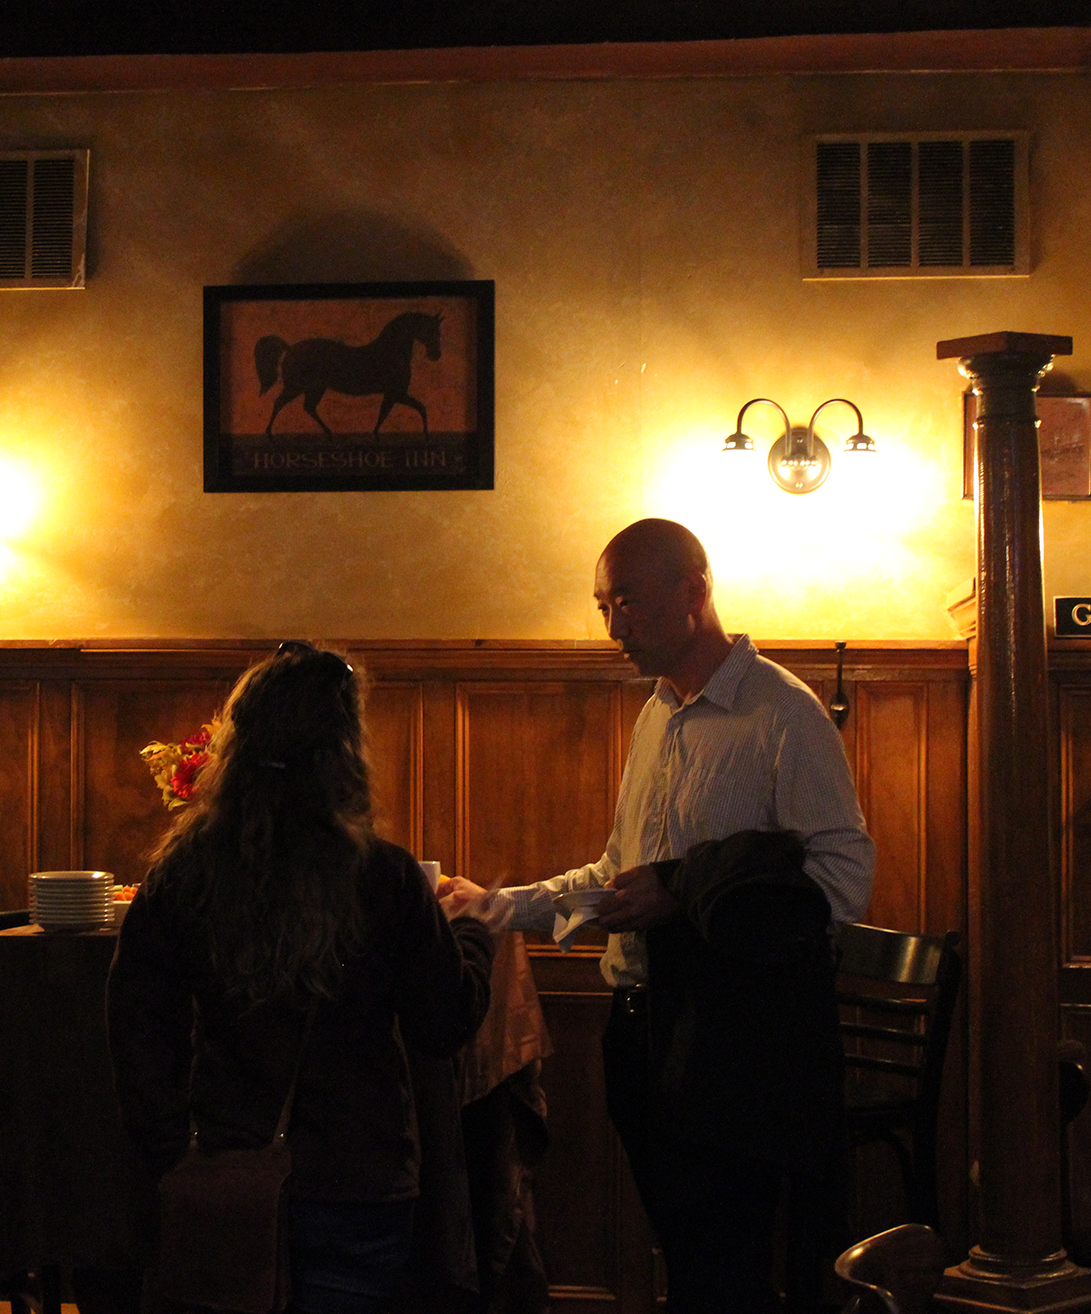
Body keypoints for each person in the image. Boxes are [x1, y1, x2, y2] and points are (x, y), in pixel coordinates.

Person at [482, 518, 875, 1314]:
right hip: (641, 1026)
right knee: (693, 1256)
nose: (613, 626)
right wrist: (496, 905)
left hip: (733, 1036)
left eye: (626, 600)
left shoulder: (783, 714)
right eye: (602, 605)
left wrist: (686, 890)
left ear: (694, 592)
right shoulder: (657, 713)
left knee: (722, 1265)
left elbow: (843, 877)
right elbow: (617, 873)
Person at [108, 642, 502, 1314]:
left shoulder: (183, 876)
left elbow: (137, 1029)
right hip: (361, 1173)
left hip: (226, 1166)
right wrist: (475, 932)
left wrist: (173, 1153)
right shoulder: (384, 876)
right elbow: (444, 1023)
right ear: (346, 748)